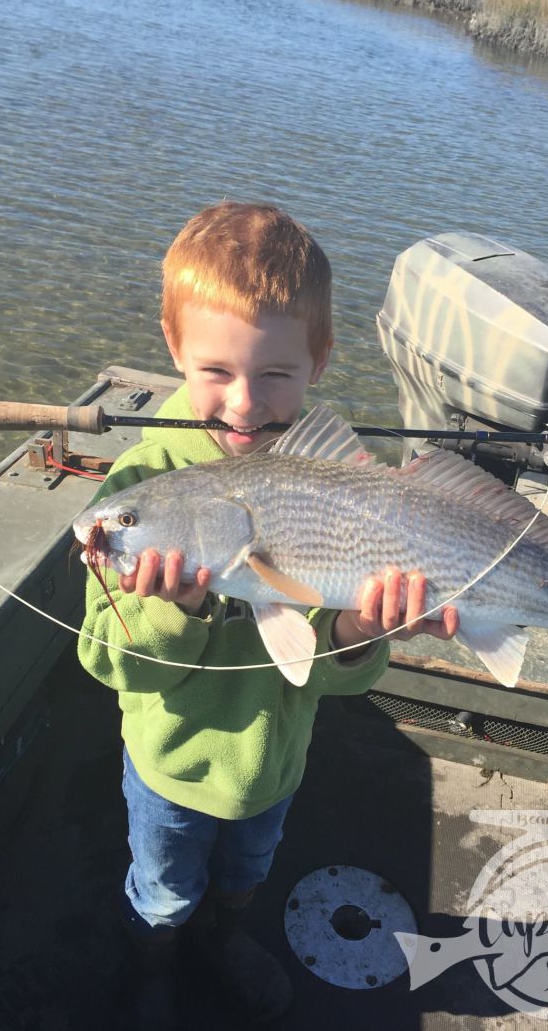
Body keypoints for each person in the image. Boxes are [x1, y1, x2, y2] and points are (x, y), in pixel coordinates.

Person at [77, 202, 459, 1025]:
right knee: (164, 885)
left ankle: (223, 939)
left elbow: (327, 675)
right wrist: (173, 613)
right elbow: (102, 658)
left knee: (248, 870)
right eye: (215, 371)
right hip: (170, 771)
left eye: (276, 376)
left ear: (319, 362)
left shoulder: (339, 478)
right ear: (174, 349)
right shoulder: (134, 488)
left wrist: (362, 631)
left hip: (276, 768)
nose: (245, 405)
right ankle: (154, 963)